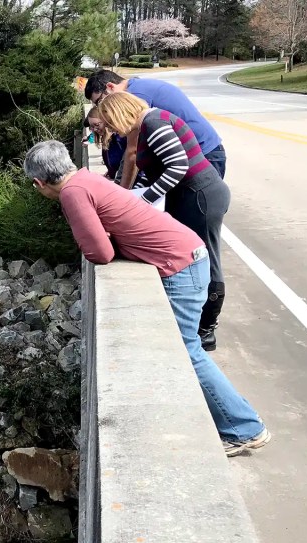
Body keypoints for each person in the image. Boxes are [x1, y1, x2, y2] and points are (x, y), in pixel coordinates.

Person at [22, 140, 270, 456]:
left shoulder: (72, 193)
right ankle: (236, 420)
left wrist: (98, 239)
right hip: (187, 256)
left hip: (182, 266)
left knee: (187, 350)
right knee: (185, 349)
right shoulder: (87, 178)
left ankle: (244, 427)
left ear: (39, 183)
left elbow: (99, 252)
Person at [96, 92, 227, 351]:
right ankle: (196, 321)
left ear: (121, 113)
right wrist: (125, 198)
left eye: (111, 124)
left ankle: (206, 328)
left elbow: (177, 166)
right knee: (192, 257)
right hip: (186, 197)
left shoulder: (154, 123)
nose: (114, 131)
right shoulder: (145, 127)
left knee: (205, 259)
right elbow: (151, 170)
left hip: (200, 196)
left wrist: (144, 200)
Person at [83, 70, 227, 185]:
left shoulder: (134, 97)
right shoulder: (137, 85)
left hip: (205, 154)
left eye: (100, 101)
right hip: (194, 154)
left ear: (110, 87)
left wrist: (123, 193)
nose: (101, 108)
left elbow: (132, 152)